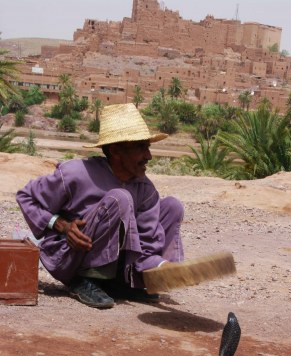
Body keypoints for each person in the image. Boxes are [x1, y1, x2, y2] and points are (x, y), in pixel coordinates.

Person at [16, 103, 184, 309]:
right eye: (141, 147)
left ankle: (124, 282)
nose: (148, 155)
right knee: (120, 198)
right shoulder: (75, 173)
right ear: (115, 151)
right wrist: (61, 225)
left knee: (172, 206)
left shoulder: (144, 188)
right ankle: (86, 280)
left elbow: (147, 244)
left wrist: (163, 267)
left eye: (148, 147)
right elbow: (25, 197)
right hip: (70, 258)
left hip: (120, 266)